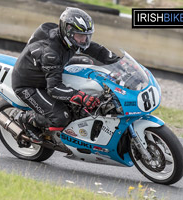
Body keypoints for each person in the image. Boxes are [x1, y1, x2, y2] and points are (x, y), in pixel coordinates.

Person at [11, 7, 120, 143]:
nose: (84, 40)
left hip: (50, 70)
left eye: (86, 36)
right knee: (61, 117)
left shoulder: (70, 39)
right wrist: (82, 97)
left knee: (87, 61)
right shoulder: (51, 53)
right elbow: (54, 88)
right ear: (68, 31)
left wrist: (120, 63)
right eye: (80, 36)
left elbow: (97, 50)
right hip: (29, 85)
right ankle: (25, 119)